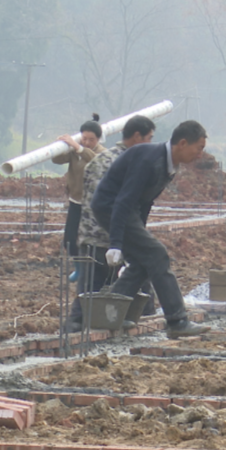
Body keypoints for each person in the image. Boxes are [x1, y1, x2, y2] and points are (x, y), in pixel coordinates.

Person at [91, 120, 209, 338]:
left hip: (127, 209)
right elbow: (124, 200)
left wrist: (140, 233)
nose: (200, 154)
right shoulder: (150, 161)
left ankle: (110, 313)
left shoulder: (168, 165)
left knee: (143, 262)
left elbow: (145, 201)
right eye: (199, 148)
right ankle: (177, 321)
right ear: (183, 143)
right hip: (111, 206)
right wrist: (116, 243)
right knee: (157, 254)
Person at [67, 114, 157, 332]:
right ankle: (143, 324)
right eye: (149, 138)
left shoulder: (102, 159)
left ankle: (75, 333)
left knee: (89, 298)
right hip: (110, 237)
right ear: (137, 137)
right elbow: (119, 205)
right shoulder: (125, 163)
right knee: (135, 289)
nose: (150, 144)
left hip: (97, 237)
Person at [52, 114, 106, 263]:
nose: (87, 142)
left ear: (98, 139)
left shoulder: (102, 153)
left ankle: (89, 267)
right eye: (84, 138)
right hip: (75, 201)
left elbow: (95, 161)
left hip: (92, 204)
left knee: (88, 240)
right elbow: (57, 159)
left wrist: (79, 147)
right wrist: (60, 146)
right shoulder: (75, 152)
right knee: (70, 239)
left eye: (91, 140)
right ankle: (79, 267)